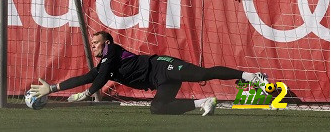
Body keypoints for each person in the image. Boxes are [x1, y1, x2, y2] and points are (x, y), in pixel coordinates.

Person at [30, 31, 269, 116]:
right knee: (157, 108)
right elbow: (89, 76)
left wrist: (89, 93)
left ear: (107, 43)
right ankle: (204, 102)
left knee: (201, 74)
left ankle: (252, 77)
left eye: (96, 42)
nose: (93, 46)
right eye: (92, 43)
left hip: (163, 65)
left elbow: (98, 79)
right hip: (158, 81)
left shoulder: (112, 51)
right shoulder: (104, 64)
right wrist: (52, 88)